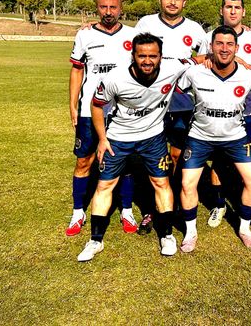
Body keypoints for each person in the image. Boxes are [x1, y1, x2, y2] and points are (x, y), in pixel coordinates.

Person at [77, 33, 194, 261]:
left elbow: (202, 60)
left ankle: (167, 235)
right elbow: (96, 105)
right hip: (118, 138)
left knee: (161, 182)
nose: (147, 61)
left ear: (161, 56)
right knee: (105, 185)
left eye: (153, 56)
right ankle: (95, 240)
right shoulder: (115, 78)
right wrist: (102, 139)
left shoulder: (173, 68)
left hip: (153, 138)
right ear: (133, 56)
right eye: (142, 56)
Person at [177, 26, 251, 251]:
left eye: (229, 44)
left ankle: (244, 227)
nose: (224, 49)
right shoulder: (194, 73)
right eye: (219, 44)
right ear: (211, 47)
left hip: (235, 137)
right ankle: (190, 232)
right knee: (187, 183)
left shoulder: (249, 75)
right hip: (200, 136)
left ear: (237, 48)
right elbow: (177, 80)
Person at [134, 0, 207, 234]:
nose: (172, 2)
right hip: (151, 101)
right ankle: (150, 210)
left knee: (176, 155)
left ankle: (172, 202)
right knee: (148, 156)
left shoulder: (196, 29)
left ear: (184, 2)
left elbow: (205, 59)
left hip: (182, 103)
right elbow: (132, 54)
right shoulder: (146, 24)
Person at [66, 0, 138, 237]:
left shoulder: (132, 35)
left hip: (121, 112)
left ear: (121, 8)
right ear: (97, 8)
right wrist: (73, 104)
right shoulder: (84, 34)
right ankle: (78, 212)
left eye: (113, 7)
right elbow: (77, 71)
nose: (108, 12)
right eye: (103, 7)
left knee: (125, 163)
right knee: (83, 161)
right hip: (89, 109)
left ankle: (127, 210)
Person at [204, 0, 251, 229]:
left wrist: (250, 66)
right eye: (228, 7)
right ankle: (219, 205)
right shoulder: (210, 36)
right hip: (217, 111)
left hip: (247, 111)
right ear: (222, 10)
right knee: (219, 162)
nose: (232, 11)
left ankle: (244, 203)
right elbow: (200, 61)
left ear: (243, 12)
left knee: (248, 161)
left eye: (237, 7)